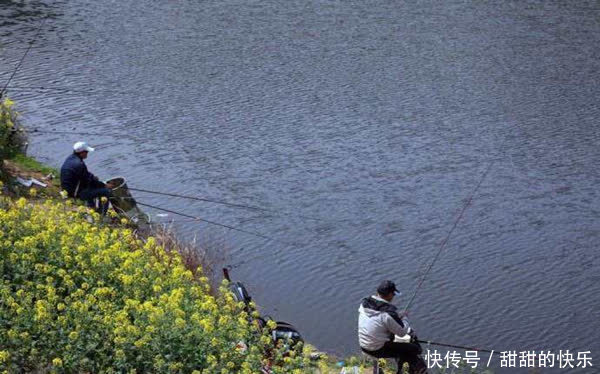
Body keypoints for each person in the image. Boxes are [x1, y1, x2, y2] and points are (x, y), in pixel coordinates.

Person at [358, 280, 428, 374]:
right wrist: (405, 318)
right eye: (394, 294)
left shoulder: (364, 305)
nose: (393, 297)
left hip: (364, 345)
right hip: (377, 349)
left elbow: (378, 320)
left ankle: (379, 370)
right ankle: (406, 371)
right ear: (390, 294)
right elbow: (402, 332)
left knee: (395, 342)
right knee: (414, 348)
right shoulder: (387, 314)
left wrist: (397, 316)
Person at [60, 141, 111, 214]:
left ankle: (92, 207)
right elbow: (89, 180)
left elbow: (85, 176)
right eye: (86, 152)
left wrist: (93, 178)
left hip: (66, 190)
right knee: (105, 192)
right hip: (74, 193)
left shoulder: (70, 158)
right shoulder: (79, 164)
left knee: (91, 186)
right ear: (81, 153)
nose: (87, 153)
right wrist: (104, 185)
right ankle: (101, 215)